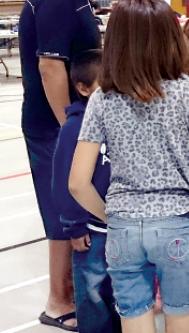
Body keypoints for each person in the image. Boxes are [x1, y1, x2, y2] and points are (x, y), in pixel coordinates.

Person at [68, 0, 189, 333]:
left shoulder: (102, 97)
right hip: (178, 226)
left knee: (135, 323)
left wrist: (114, 216)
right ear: (171, 37)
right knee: (183, 322)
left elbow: (77, 183)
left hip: (124, 228)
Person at [19, 0, 127, 331]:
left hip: (70, 121)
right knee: (62, 209)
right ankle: (59, 299)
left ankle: (68, 294)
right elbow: (50, 67)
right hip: (54, 125)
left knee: (69, 206)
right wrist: (73, 127)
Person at [51, 49, 120, 333]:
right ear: (83, 88)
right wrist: (75, 226)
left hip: (119, 227)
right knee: (92, 287)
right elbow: (65, 184)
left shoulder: (119, 120)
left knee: (117, 291)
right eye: (105, 84)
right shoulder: (74, 129)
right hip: (90, 231)